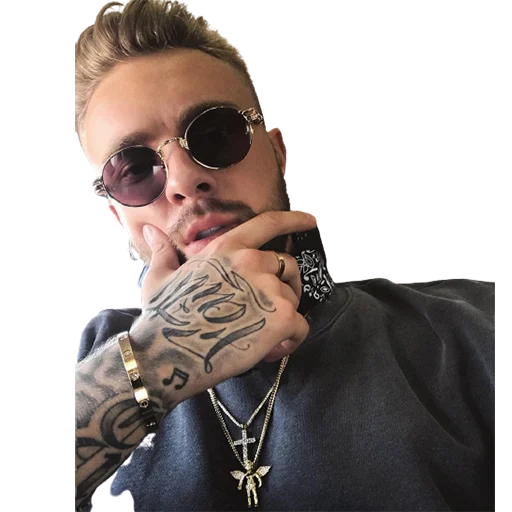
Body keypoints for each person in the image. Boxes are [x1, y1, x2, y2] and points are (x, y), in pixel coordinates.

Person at [72, 1, 496, 511]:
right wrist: (158, 354)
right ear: (118, 215)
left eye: (215, 134)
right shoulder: (82, 365)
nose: (185, 180)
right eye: (134, 169)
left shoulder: (471, 334)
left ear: (278, 152)